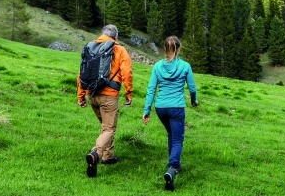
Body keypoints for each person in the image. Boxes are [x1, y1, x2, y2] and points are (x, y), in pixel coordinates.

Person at [143, 36, 198, 191]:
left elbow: (151, 89)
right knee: (178, 140)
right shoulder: (185, 66)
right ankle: (173, 167)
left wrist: (147, 110)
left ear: (165, 49)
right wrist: (194, 101)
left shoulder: (157, 67)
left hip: (161, 108)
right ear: (178, 49)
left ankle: (174, 164)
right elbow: (192, 88)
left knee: (171, 135)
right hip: (176, 108)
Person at [77, 24, 133, 178]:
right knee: (109, 129)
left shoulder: (90, 48)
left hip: (92, 95)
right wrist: (129, 93)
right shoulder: (119, 49)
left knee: (105, 126)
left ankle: (108, 156)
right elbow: (127, 73)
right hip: (109, 95)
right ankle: (96, 153)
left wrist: (81, 95)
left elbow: (81, 73)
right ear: (115, 36)